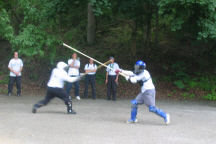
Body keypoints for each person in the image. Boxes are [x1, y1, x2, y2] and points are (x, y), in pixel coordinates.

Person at [115, 60, 170, 124]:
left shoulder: (144, 73)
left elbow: (134, 80)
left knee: (152, 108)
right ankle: (133, 118)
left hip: (149, 92)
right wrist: (120, 71)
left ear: (141, 68)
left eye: (137, 67)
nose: (136, 68)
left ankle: (165, 115)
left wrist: (129, 78)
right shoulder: (139, 72)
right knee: (133, 103)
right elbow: (131, 73)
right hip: (143, 92)